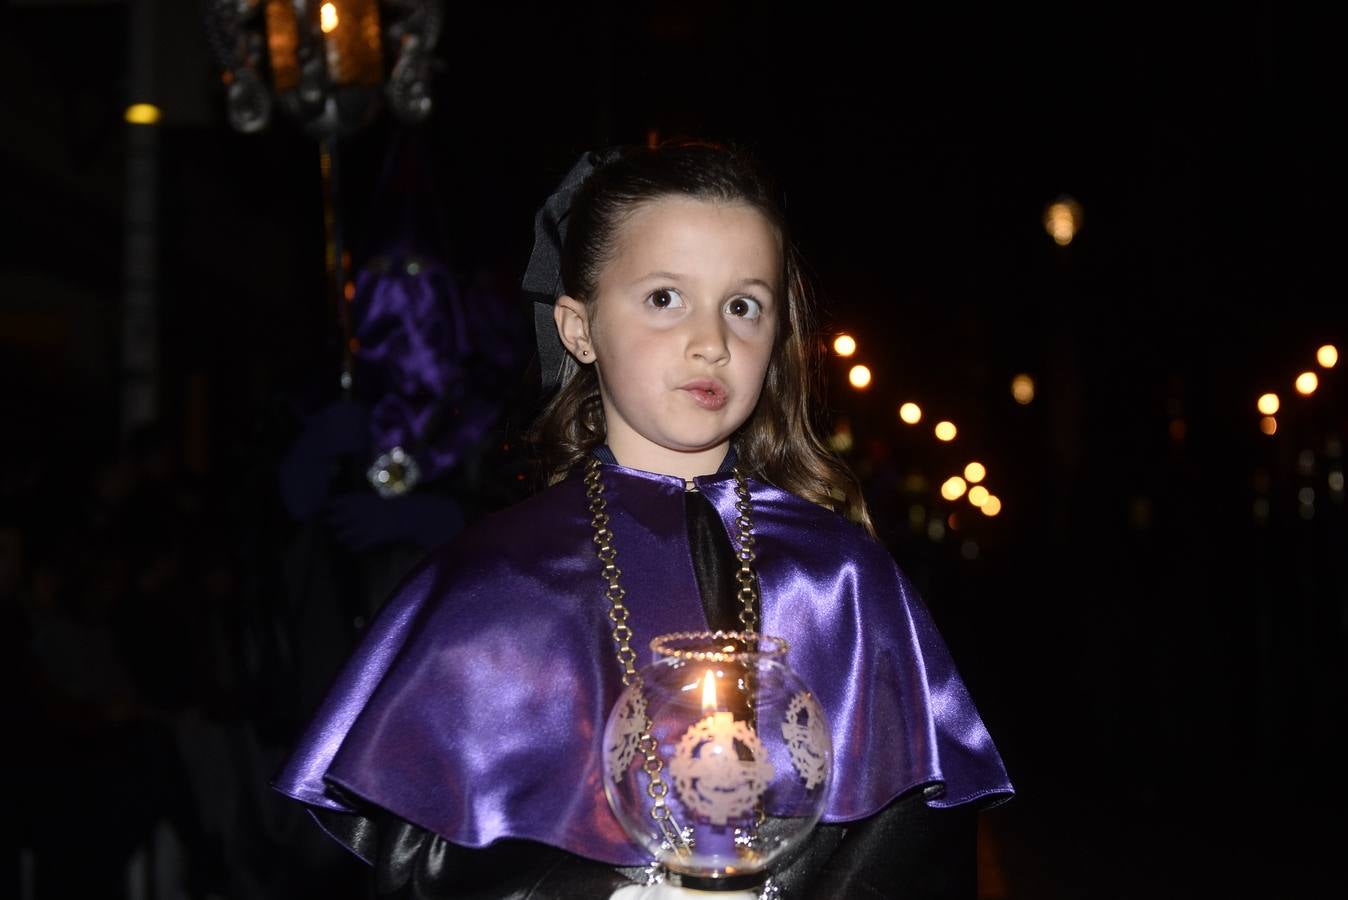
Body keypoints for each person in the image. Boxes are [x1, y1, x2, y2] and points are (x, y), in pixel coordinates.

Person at [273, 141, 1013, 899]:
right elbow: (427, 867)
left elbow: (915, 846)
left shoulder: (843, 582)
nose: (712, 342)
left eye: (743, 305)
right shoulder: (492, 584)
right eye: (665, 298)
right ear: (578, 328)